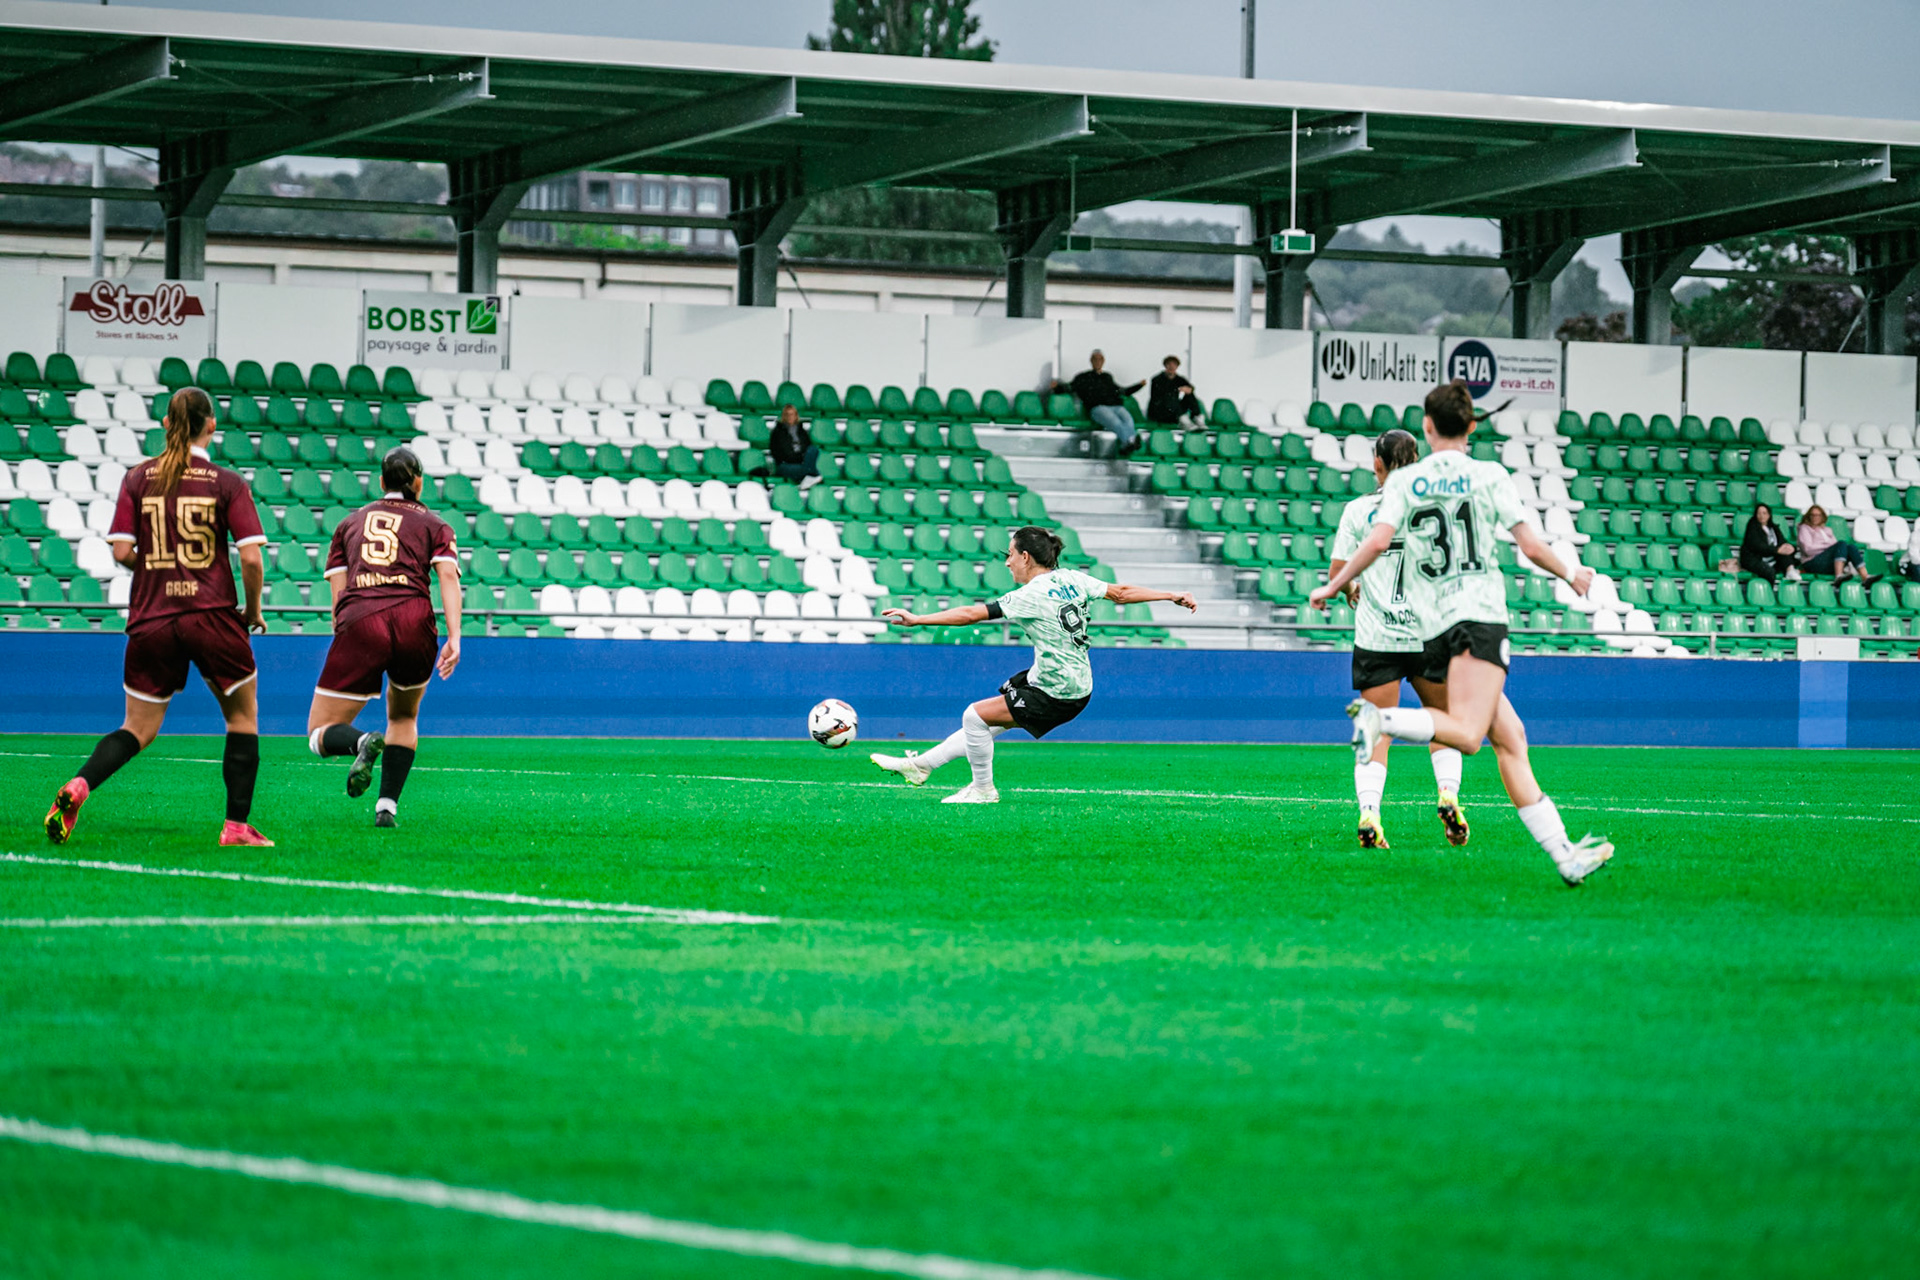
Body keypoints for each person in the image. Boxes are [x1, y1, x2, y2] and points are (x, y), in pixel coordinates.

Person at [1308, 379, 1614, 887]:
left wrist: (1333, 585)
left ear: (1427, 426)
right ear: (1471, 426)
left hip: (1435, 624)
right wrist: (1570, 573)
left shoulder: (1407, 483)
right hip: (1478, 617)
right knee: (1471, 735)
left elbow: (1377, 543)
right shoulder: (1489, 475)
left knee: (1511, 737)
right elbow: (1529, 546)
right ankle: (1381, 720)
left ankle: (1566, 856)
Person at [43, 386, 273, 847]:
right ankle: (235, 827)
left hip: (152, 617)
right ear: (211, 426)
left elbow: (121, 551)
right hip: (211, 616)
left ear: (166, 424)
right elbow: (250, 558)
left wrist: (157, 569)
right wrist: (252, 610)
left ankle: (80, 785)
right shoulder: (228, 483)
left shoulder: (137, 478)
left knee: (137, 728)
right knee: (242, 718)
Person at [871, 526, 1196, 803]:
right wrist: (1171, 595)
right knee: (987, 723)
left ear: (1025, 557)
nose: (1007, 561)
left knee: (975, 716)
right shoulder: (1072, 578)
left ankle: (982, 790)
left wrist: (919, 619)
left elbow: (971, 614)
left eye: (1010, 554)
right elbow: (1121, 593)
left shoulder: (1031, 594)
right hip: (1070, 680)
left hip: (1058, 691)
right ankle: (921, 766)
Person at [306, 447, 463, 828]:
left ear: (381, 481)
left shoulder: (349, 524)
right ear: (418, 482)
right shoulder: (435, 524)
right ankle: (386, 807)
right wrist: (455, 637)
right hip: (414, 620)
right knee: (404, 716)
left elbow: (338, 595)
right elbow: (447, 575)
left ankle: (361, 742)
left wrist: (347, 634)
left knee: (317, 732)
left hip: (362, 617)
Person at [1329, 429, 1469, 851]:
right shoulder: (1436, 508)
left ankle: (1370, 813)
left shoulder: (1358, 510)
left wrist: (1350, 588)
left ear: (1377, 464)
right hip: (1428, 634)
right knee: (1445, 720)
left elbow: (1338, 572)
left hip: (1377, 637)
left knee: (1376, 727)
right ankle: (1448, 794)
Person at [1053, 350, 1146, 456]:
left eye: (1100, 359)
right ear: (1091, 361)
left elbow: (1122, 391)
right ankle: (1130, 441)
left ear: (1103, 361)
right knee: (1115, 422)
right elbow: (1070, 387)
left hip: (1115, 406)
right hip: (1098, 408)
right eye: (1095, 359)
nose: (1098, 362)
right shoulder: (1083, 377)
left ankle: (1126, 445)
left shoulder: (1107, 377)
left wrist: (1138, 386)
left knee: (1128, 420)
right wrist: (1056, 388)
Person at [1796, 504, 1880, 586]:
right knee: (1841, 544)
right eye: (1812, 515)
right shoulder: (1804, 528)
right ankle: (1838, 576)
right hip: (1812, 563)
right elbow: (1808, 549)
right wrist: (1827, 547)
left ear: (1822, 517)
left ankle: (1865, 576)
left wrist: (1831, 547)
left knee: (1851, 547)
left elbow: (1837, 548)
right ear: (1808, 516)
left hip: (1827, 563)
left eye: (1818, 515)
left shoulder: (1827, 530)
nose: (1815, 517)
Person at [748, 404, 821, 489]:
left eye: (792, 414)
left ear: (796, 415)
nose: (790, 417)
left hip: (801, 464)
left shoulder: (802, 432)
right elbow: (779, 454)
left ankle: (808, 476)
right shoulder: (777, 432)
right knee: (813, 472)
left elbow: (807, 449)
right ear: (784, 416)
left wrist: (801, 458)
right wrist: (799, 457)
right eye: (787, 414)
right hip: (785, 465)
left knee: (813, 449)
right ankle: (811, 476)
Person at [1738, 504, 1798, 583]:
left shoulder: (1773, 528)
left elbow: (1782, 542)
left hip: (1771, 558)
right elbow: (1758, 546)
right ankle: (1770, 590)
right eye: (1759, 513)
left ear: (1769, 515)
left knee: (1789, 557)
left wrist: (1791, 548)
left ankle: (1790, 571)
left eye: (1764, 513)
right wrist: (1777, 550)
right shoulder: (1752, 527)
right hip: (1754, 559)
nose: (1761, 516)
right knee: (1769, 572)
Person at [1146, 355, 1205, 428]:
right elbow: (1158, 396)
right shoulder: (1157, 379)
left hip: (1174, 411)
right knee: (1170, 397)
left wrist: (1188, 389)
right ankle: (1183, 420)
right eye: (1169, 364)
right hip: (1161, 411)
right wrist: (1177, 389)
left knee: (1190, 394)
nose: (1171, 367)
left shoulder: (1179, 379)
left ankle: (1197, 418)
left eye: (1174, 365)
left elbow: (1191, 387)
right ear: (1165, 366)